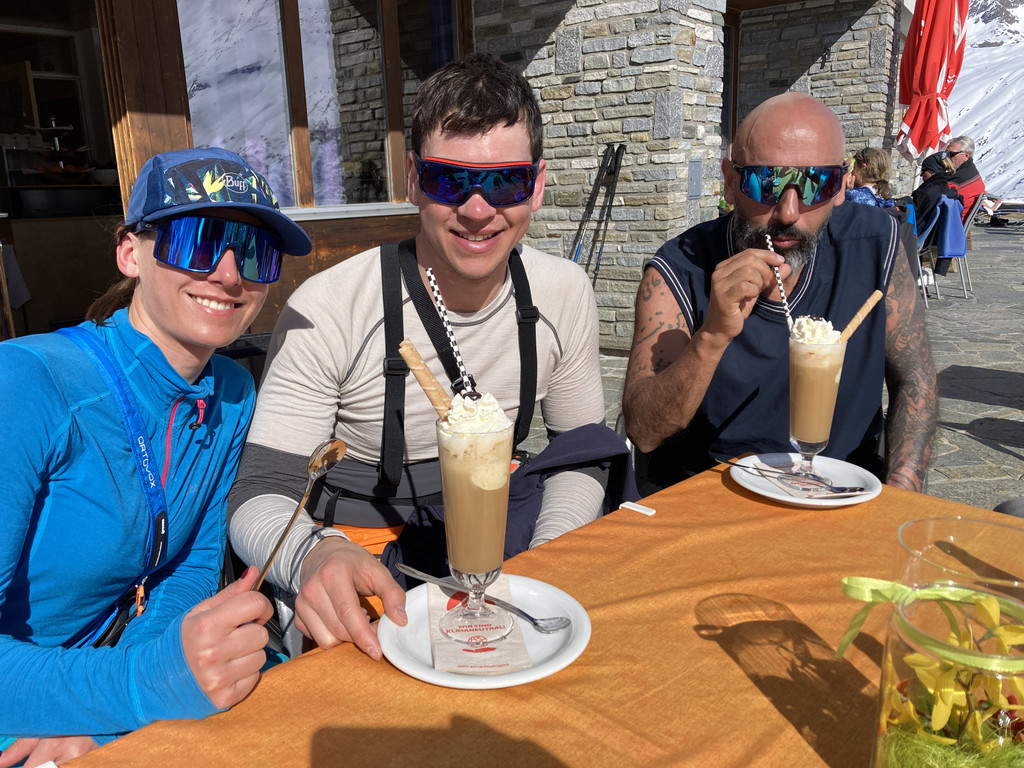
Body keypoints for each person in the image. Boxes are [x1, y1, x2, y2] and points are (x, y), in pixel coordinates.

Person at [229, 53, 624, 661]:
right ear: (413, 179)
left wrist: (549, 557)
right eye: (448, 180)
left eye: (505, 181)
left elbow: (581, 453)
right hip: (361, 553)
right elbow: (261, 491)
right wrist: (314, 554)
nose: (477, 209)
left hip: (505, 539)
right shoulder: (331, 307)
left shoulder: (562, 292)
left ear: (538, 185)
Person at [0, 147, 312, 766]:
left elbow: (189, 566)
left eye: (255, 252)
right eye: (197, 241)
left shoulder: (231, 392)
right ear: (129, 252)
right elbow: (146, 680)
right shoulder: (28, 383)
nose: (229, 275)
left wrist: (121, 704)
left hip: (117, 681)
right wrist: (139, 688)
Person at [622, 92, 938, 495]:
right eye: (766, 182)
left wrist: (899, 498)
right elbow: (644, 431)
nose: (789, 211)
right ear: (730, 181)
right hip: (711, 496)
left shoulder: (875, 245)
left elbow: (916, 380)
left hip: (844, 492)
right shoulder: (680, 269)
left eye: (816, 183)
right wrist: (711, 338)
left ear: (842, 184)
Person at [911, 153, 961, 231]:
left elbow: (913, 221)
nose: (921, 175)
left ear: (933, 171)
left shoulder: (925, 193)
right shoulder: (949, 193)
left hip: (918, 235)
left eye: (923, 170)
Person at [945, 135, 986, 223]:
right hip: (956, 225)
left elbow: (936, 200)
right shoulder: (972, 174)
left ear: (966, 155)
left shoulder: (957, 181)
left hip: (950, 226)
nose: (946, 157)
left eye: (951, 154)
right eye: (945, 153)